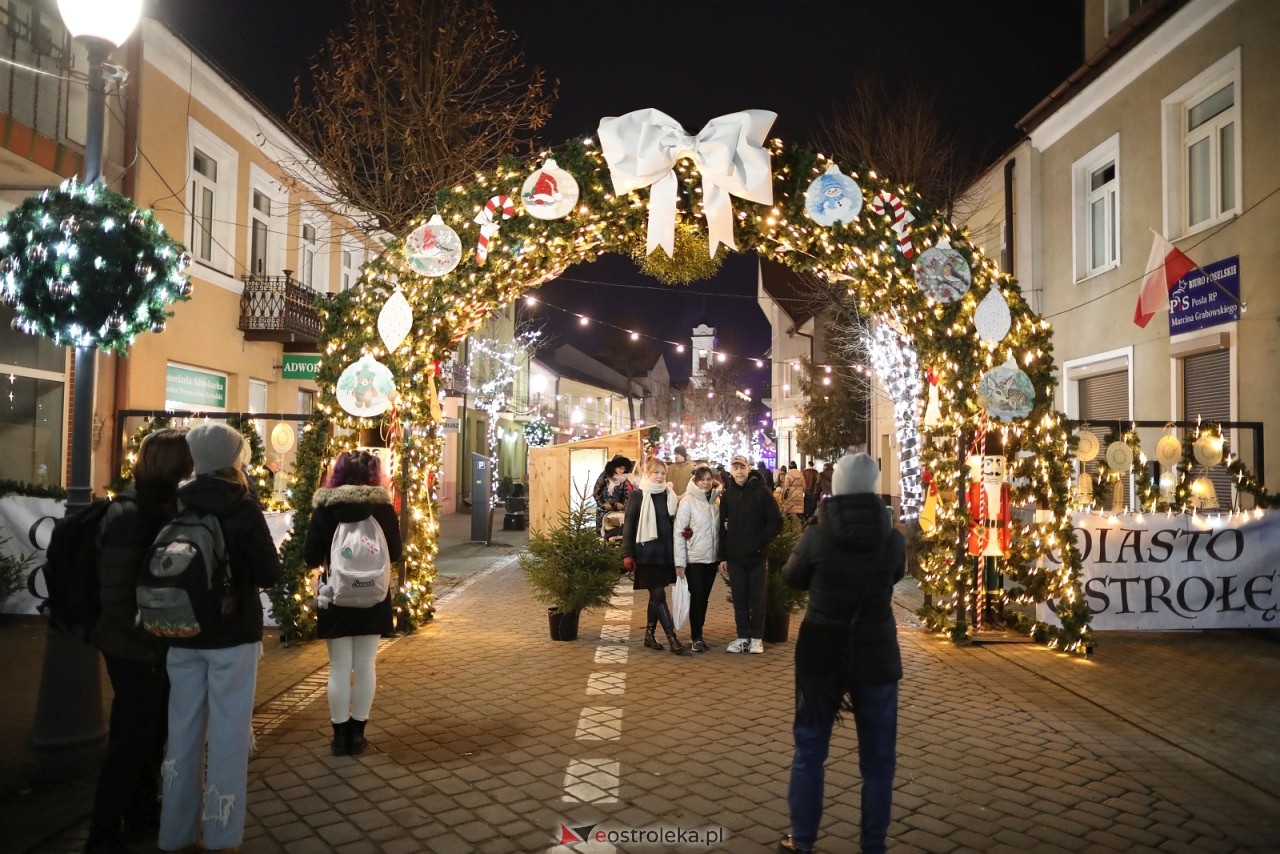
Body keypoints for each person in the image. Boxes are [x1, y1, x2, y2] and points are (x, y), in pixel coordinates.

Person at [158, 422, 283, 853]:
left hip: (182, 632)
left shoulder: (178, 502)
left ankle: (174, 834)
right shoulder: (241, 505)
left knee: (182, 731)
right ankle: (222, 836)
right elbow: (270, 572)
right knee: (228, 735)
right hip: (232, 636)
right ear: (233, 459)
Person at [778, 453, 906, 854]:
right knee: (879, 759)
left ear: (837, 485)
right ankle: (874, 845)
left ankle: (802, 840)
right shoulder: (892, 537)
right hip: (878, 651)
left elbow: (792, 579)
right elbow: (896, 575)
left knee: (810, 748)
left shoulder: (817, 533)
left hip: (822, 647)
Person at [85, 429, 193, 854]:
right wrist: (148, 637)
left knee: (149, 735)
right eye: (186, 462)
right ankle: (103, 833)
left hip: (148, 645)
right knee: (130, 739)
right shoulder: (133, 515)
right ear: (172, 465)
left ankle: (142, 816)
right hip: (133, 647)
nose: (191, 469)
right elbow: (116, 591)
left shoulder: (158, 507)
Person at [304, 450, 404, 757]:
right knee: (365, 665)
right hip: (373, 595)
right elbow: (397, 552)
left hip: (337, 596)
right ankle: (358, 735)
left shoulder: (324, 508)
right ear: (374, 475)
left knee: (338, 666)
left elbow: (309, 555)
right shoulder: (382, 507)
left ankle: (338, 736)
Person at [717, 454, 783, 654]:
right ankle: (742, 637)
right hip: (735, 558)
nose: (739, 472)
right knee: (739, 598)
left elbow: (776, 522)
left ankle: (756, 638)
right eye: (735, 468)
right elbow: (722, 527)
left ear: (748, 468)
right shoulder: (728, 495)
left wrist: (760, 541)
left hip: (757, 556)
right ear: (731, 471)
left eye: (742, 467)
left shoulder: (761, 492)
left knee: (757, 599)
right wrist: (723, 557)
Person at [621, 457, 686, 654]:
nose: (659, 477)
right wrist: (627, 553)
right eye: (656, 472)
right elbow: (629, 525)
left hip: (666, 553)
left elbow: (675, 521)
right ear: (647, 474)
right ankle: (672, 637)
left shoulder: (669, 494)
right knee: (659, 594)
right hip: (646, 554)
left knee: (655, 597)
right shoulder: (639, 495)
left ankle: (649, 634)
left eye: (662, 473)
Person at [672, 465, 720, 653]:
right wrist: (680, 562)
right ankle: (696, 636)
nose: (706, 482)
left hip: (711, 559)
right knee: (698, 597)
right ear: (696, 481)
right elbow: (678, 532)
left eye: (709, 479)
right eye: (702, 479)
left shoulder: (716, 501)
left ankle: (699, 633)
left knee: (704, 598)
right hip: (693, 559)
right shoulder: (688, 501)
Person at [592, 454, 634, 537]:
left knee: (615, 533)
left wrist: (622, 505)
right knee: (601, 534)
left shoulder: (623, 479)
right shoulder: (604, 476)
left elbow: (626, 494)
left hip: (617, 512)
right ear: (614, 467)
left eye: (624, 468)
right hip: (603, 512)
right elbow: (596, 492)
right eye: (620, 468)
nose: (622, 470)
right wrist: (603, 504)